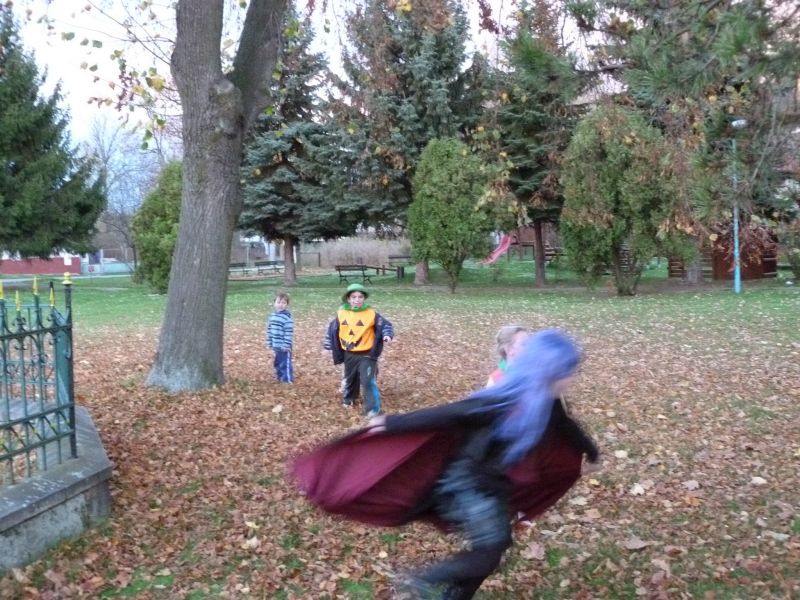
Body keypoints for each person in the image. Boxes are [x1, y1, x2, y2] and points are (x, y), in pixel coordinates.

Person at [293, 329, 600, 599]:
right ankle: (422, 578)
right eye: (568, 372)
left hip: (489, 485)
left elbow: (568, 428)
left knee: (492, 549)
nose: (572, 378)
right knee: (490, 551)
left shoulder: (546, 402)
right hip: (469, 484)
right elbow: (451, 413)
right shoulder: (502, 401)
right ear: (548, 372)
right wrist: (393, 424)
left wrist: (592, 453)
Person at [323, 283, 394, 417]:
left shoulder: (371, 314)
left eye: (360, 297)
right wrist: (327, 346)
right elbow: (332, 331)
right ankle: (349, 399)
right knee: (350, 379)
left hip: (367, 354)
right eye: (353, 297)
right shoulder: (341, 313)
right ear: (348, 299)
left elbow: (385, 325)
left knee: (367, 380)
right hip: (349, 353)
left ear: (364, 298)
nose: (357, 300)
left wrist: (387, 335)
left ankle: (372, 409)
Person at [266, 292, 294, 383]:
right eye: (278, 302)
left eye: (283, 303)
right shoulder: (272, 316)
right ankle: (279, 377)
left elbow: (288, 332)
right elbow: (269, 330)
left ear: (287, 305)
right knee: (277, 362)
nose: (280, 305)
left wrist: (286, 345)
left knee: (285, 363)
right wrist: (269, 342)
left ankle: (287, 380)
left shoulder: (287, 318)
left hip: (284, 346)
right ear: (274, 303)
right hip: (275, 344)